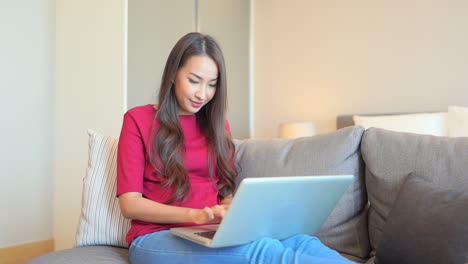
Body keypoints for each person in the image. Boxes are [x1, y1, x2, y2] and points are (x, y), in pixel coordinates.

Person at [117, 32, 355, 264]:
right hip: (155, 238)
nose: (203, 94)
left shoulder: (219, 127)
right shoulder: (138, 119)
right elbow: (130, 204)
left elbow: (223, 191)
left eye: (212, 85)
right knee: (265, 252)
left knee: (302, 242)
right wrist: (195, 215)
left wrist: (234, 210)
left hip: (212, 232)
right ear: (172, 74)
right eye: (194, 81)